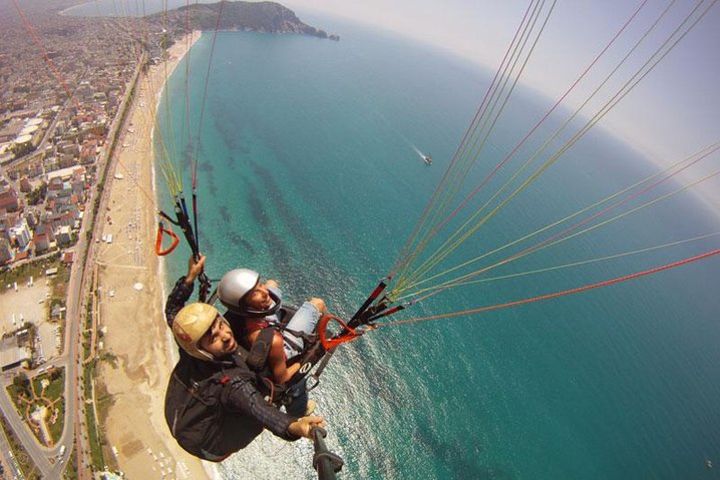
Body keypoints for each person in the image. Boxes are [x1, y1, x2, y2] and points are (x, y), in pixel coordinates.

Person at [164, 255, 325, 462]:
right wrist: (297, 427)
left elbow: (172, 312)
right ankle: (299, 408)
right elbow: (262, 411)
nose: (225, 335)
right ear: (200, 349)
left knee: (273, 284)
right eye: (213, 337)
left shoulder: (189, 346)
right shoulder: (232, 383)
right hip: (213, 443)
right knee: (294, 383)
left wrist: (190, 277)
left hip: (185, 415)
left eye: (220, 324)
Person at [217, 268, 327, 413]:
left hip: (258, 321)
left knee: (272, 283)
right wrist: (304, 360)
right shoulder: (273, 340)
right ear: (244, 305)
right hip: (284, 347)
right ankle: (299, 410)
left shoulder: (228, 320)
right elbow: (282, 377)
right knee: (317, 303)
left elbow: (264, 292)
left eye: (259, 284)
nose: (264, 292)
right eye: (255, 293)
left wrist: (262, 289)